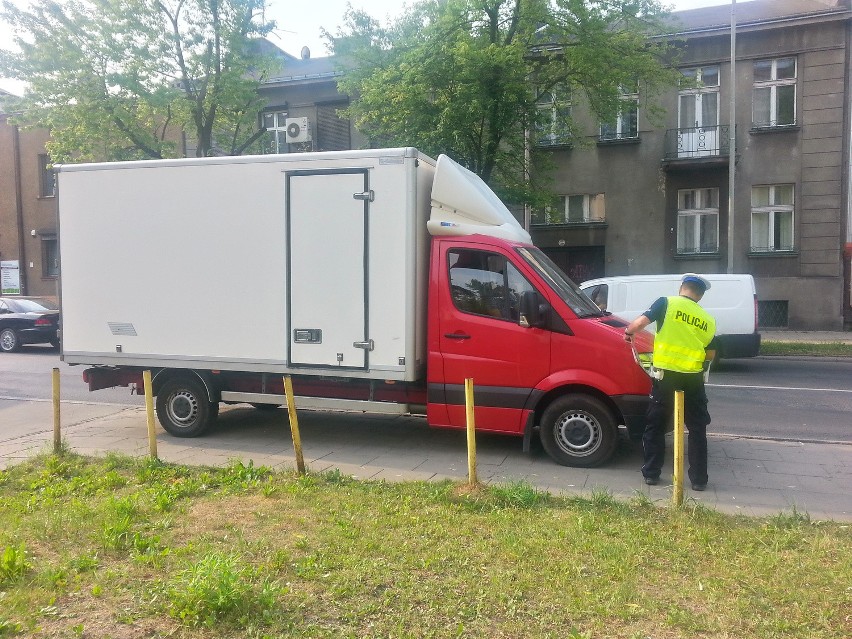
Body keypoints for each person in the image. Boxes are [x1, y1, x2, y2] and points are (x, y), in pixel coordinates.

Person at [623, 273, 717, 491]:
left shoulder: (667, 303)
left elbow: (640, 323)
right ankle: (699, 480)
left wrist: (628, 333)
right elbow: (710, 353)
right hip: (693, 379)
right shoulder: (708, 320)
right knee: (697, 428)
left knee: (655, 425)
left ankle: (652, 474)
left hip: (666, 377)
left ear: (682, 287)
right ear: (700, 296)